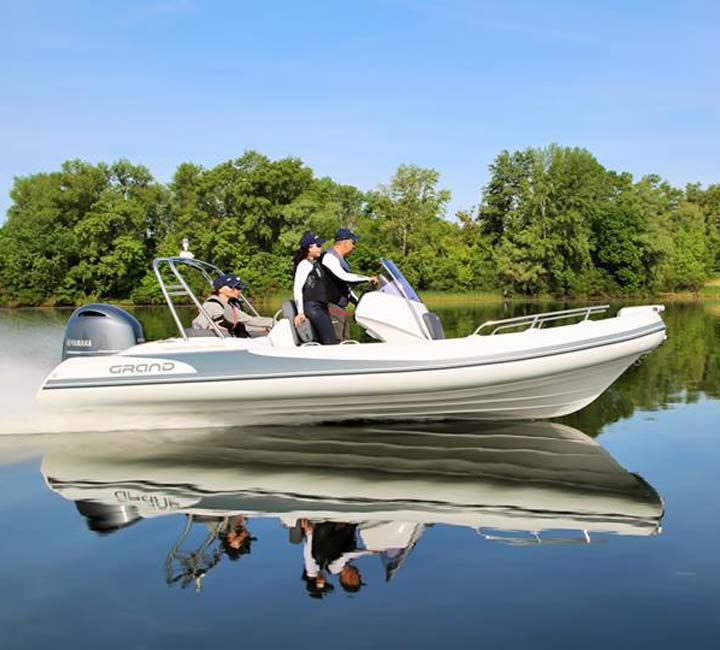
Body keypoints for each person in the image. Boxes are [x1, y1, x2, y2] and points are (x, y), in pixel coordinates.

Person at [321, 228, 378, 340]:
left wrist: (357, 302)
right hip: (330, 305)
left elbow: (346, 287)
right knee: (338, 340)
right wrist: (367, 279)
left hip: (339, 306)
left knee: (346, 339)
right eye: (353, 242)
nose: (354, 246)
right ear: (345, 241)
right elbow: (343, 276)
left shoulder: (342, 260)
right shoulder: (329, 257)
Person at [192, 273, 274, 337]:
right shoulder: (212, 305)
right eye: (233, 287)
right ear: (220, 289)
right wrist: (210, 328)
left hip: (231, 340)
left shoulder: (230, 306)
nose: (238, 290)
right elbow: (197, 326)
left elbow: (250, 320)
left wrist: (275, 323)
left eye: (239, 287)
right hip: (220, 343)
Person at [291, 230, 333, 343]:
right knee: (329, 341)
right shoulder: (304, 264)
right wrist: (300, 312)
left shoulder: (313, 264)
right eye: (318, 245)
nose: (320, 248)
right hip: (313, 307)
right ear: (309, 248)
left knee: (327, 339)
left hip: (320, 306)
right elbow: (297, 288)